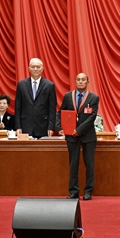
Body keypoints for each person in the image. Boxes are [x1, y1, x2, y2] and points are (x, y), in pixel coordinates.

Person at [58, 73, 99, 201]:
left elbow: (92, 118)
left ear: (88, 82)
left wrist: (79, 130)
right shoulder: (68, 96)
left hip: (88, 136)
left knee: (89, 165)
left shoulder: (93, 98)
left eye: (83, 80)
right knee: (73, 164)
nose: (81, 82)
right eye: (78, 80)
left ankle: (88, 192)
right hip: (71, 136)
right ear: (75, 82)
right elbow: (61, 113)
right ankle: (73, 191)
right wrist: (59, 128)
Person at [14, 58, 57, 138]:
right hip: (25, 126)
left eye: (38, 67)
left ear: (42, 69)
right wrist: (18, 126)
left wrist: (51, 127)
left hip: (43, 126)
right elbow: (17, 107)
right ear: (29, 69)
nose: (35, 69)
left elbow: (52, 109)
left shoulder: (49, 85)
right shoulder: (21, 84)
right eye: (33, 67)